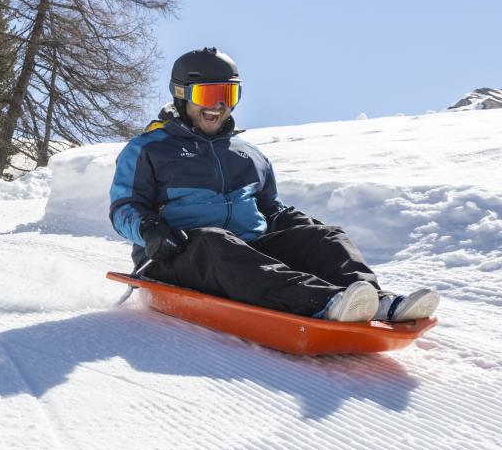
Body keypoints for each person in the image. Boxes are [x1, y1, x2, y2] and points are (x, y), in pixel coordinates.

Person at [109, 49, 439, 324]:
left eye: (228, 95)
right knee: (214, 241)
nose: (219, 106)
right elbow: (124, 207)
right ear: (181, 94)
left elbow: (272, 209)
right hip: (176, 256)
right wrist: (151, 230)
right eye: (209, 95)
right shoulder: (149, 149)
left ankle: (374, 301)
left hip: (247, 251)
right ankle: (321, 302)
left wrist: (306, 231)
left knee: (327, 236)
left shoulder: (248, 154)